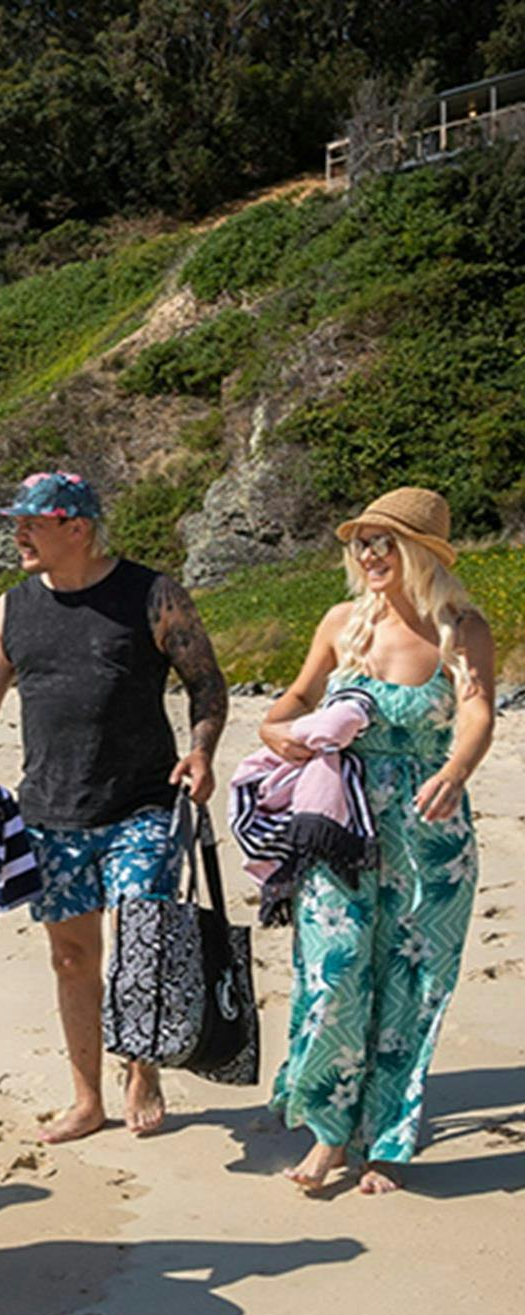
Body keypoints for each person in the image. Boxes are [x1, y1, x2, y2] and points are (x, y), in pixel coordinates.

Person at [0, 471, 228, 1142]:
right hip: (50, 810)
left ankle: (142, 1067)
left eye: (31, 523)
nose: (18, 534)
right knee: (72, 958)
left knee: (140, 944)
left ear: (76, 527)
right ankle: (86, 1098)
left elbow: (206, 683)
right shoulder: (10, 609)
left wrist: (202, 750)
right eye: (16, 521)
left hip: (143, 804)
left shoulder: (152, 595)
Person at [257, 488, 496, 1195]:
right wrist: (277, 730)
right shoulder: (342, 622)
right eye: (362, 542)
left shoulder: (461, 628)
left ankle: (387, 1138)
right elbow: (294, 700)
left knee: (410, 987)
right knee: (333, 974)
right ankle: (332, 1133)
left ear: (421, 552)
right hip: (342, 825)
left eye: (384, 542)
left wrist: (456, 769)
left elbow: (477, 711)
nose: (369, 554)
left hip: (430, 832)